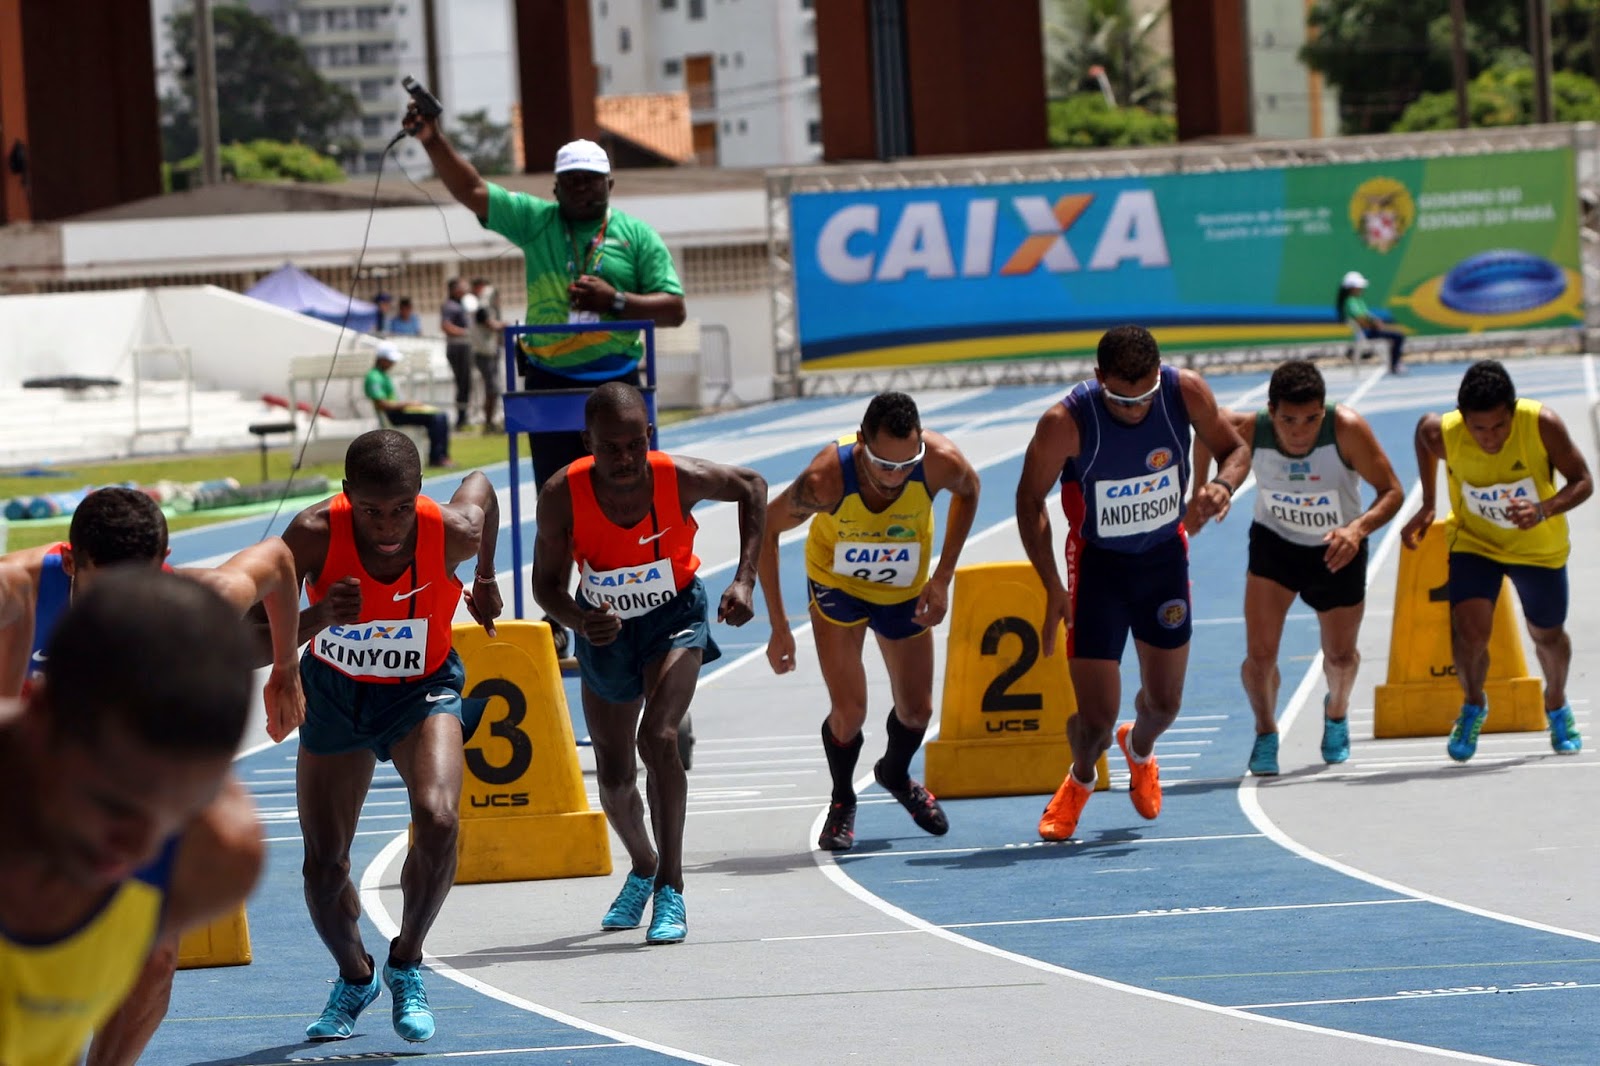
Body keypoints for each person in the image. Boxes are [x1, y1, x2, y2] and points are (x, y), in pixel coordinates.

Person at [0, 487, 306, 1066]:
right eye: (106, 588)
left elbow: (276, 559)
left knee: (157, 958)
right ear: (71, 563)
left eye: (140, 584)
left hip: (128, 793)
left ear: (164, 562)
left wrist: (286, 667)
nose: (125, 607)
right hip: (29, 794)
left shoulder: (226, 851)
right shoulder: (17, 587)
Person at [405, 118, 685, 653]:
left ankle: (637, 601)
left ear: (610, 184)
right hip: (550, 381)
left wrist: (615, 301)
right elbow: (472, 190)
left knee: (627, 492)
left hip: (615, 384)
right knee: (555, 499)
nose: (580, 189)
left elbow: (674, 308)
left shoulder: (636, 236)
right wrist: (432, 138)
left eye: (590, 181)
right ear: (555, 188)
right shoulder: (538, 221)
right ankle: (559, 614)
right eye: (570, 181)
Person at [279, 429, 501, 1042]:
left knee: (439, 818)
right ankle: (356, 976)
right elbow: (251, 633)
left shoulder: (452, 529)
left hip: (421, 689)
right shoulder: (313, 533)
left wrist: (484, 577)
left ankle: (406, 961)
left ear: (420, 493)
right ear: (346, 494)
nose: (387, 527)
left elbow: (483, 490)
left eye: (401, 508)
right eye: (371, 511)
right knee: (323, 869)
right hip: (335, 693)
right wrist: (319, 615)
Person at [532, 383, 765, 944]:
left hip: (673, 618)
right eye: (611, 448)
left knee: (658, 739)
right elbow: (545, 586)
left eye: (636, 444)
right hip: (605, 630)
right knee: (614, 779)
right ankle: (643, 865)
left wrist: (744, 578)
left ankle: (671, 887)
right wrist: (580, 619)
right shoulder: (562, 494)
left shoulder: (676, 477)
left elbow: (753, 487)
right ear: (587, 443)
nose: (626, 458)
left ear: (650, 436)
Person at [1016, 325, 1250, 842]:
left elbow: (1235, 448)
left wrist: (1222, 485)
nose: (1137, 408)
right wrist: (1052, 584)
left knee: (1164, 705)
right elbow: (1029, 500)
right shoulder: (1065, 422)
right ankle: (1080, 779)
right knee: (1095, 723)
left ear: (1159, 373)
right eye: (1123, 400)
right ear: (1099, 378)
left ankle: (1139, 748)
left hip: (1163, 561)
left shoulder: (1184, 391)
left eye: (1146, 395)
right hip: (1097, 569)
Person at [758, 391, 981, 852]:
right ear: (862, 442)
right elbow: (766, 529)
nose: (895, 477)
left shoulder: (940, 461)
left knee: (918, 712)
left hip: (902, 589)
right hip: (837, 586)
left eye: (906, 465)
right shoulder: (824, 479)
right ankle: (842, 799)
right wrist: (779, 627)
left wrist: (942, 577)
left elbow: (970, 491)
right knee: (849, 712)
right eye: (883, 465)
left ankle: (894, 774)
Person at [1185, 359, 1404, 775]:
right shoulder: (1251, 427)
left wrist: (1357, 530)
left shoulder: (1347, 429)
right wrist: (1202, 488)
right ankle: (1266, 731)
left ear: (1324, 411)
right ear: (1271, 411)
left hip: (1336, 549)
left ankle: (1336, 712)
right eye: (1288, 421)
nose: (1300, 431)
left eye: (1310, 420)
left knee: (1341, 657)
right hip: (1276, 545)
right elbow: (1205, 433)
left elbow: (1391, 491)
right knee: (1260, 656)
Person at [1400, 359, 1593, 762]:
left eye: (1499, 426)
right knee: (1469, 634)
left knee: (1547, 637)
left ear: (1513, 411)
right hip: (1476, 543)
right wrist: (1429, 502)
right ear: (1462, 418)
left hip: (1537, 548)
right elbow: (1422, 433)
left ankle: (1556, 702)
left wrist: (1542, 509)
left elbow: (1583, 481)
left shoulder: (1542, 424)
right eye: (1479, 428)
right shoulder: (1444, 432)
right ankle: (1473, 704)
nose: (1490, 437)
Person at [365, 341, 454, 469]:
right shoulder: (374, 377)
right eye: (390, 360)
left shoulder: (383, 375)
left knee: (440, 416)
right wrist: (407, 404)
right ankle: (437, 457)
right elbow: (382, 404)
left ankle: (440, 456)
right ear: (382, 359)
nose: (393, 363)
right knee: (437, 418)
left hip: (398, 412)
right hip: (393, 415)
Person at [1338, 270, 1406, 375]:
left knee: (1397, 334)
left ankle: (1394, 363)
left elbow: (1367, 316)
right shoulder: (1351, 301)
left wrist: (1376, 322)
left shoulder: (1357, 300)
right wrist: (1375, 325)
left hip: (1370, 330)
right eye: (1359, 286)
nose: (1361, 289)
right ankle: (1394, 365)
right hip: (1367, 333)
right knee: (1398, 336)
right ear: (1352, 288)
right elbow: (1361, 321)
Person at [470, 277, 504, 433]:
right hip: (483, 354)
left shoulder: (489, 310)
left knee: (493, 390)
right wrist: (505, 325)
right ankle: (488, 423)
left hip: (490, 353)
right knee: (492, 389)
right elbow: (492, 325)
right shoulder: (481, 310)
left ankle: (490, 422)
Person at [440, 277, 473, 430]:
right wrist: (466, 333)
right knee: (462, 383)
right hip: (457, 348)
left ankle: (464, 416)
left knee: (466, 384)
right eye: (462, 287)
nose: (465, 290)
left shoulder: (462, 304)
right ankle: (461, 418)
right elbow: (446, 326)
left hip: (464, 347)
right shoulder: (450, 306)